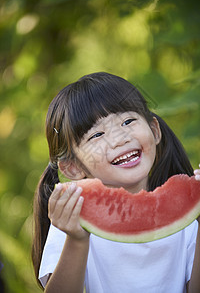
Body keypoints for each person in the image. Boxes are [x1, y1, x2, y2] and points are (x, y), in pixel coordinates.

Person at [32, 72, 200, 293]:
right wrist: (77, 240)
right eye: (96, 135)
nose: (120, 138)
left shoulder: (188, 220)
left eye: (128, 121)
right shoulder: (72, 222)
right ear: (73, 167)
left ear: (154, 130)